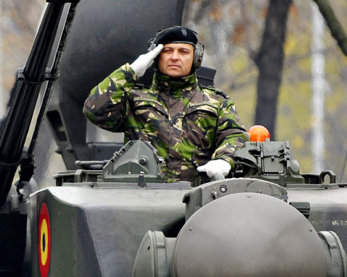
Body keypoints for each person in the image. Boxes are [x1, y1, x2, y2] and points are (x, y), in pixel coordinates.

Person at [83, 26, 248, 183]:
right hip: (142, 195)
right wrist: (130, 72)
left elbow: (236, 135)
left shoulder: (216, 102)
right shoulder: (133, 99)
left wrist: (224, 159)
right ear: (156, 57)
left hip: (197, 197)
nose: (174, 57)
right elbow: (94, 110)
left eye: (183, 51)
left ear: (196, 59)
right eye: (167, 51)